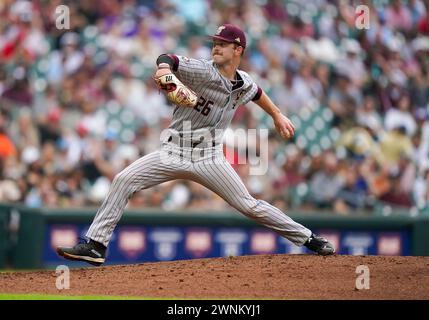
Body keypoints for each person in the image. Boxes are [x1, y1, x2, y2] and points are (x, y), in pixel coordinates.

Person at [57, 24, 335, 266]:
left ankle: (309, 238)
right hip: (173, 150)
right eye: (214, 43)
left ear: (238, 50)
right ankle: (96, 245)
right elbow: (168, 58)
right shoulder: (203, 70)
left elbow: (257, 93)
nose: (216, 47)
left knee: (249, 205)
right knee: (123, 179)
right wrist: (164, 68)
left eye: (223, 44)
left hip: (209, 157)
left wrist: (276, 114)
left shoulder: (244, 82)